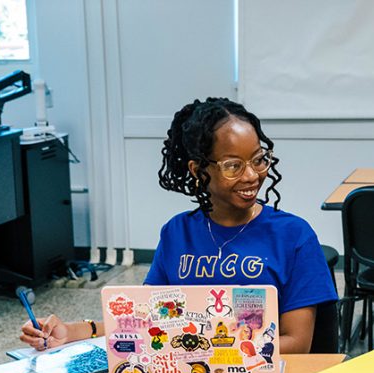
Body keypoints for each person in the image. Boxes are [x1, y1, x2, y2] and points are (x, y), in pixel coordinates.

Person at [21, 97, 337, 353]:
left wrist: (212, 349)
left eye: (258, 159)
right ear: (199, 170)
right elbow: (146, 318)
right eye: (232, 166)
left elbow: (298, 344)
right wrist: (76, 331)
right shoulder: (177, 234)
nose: (252, 175)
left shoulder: (293, 236)